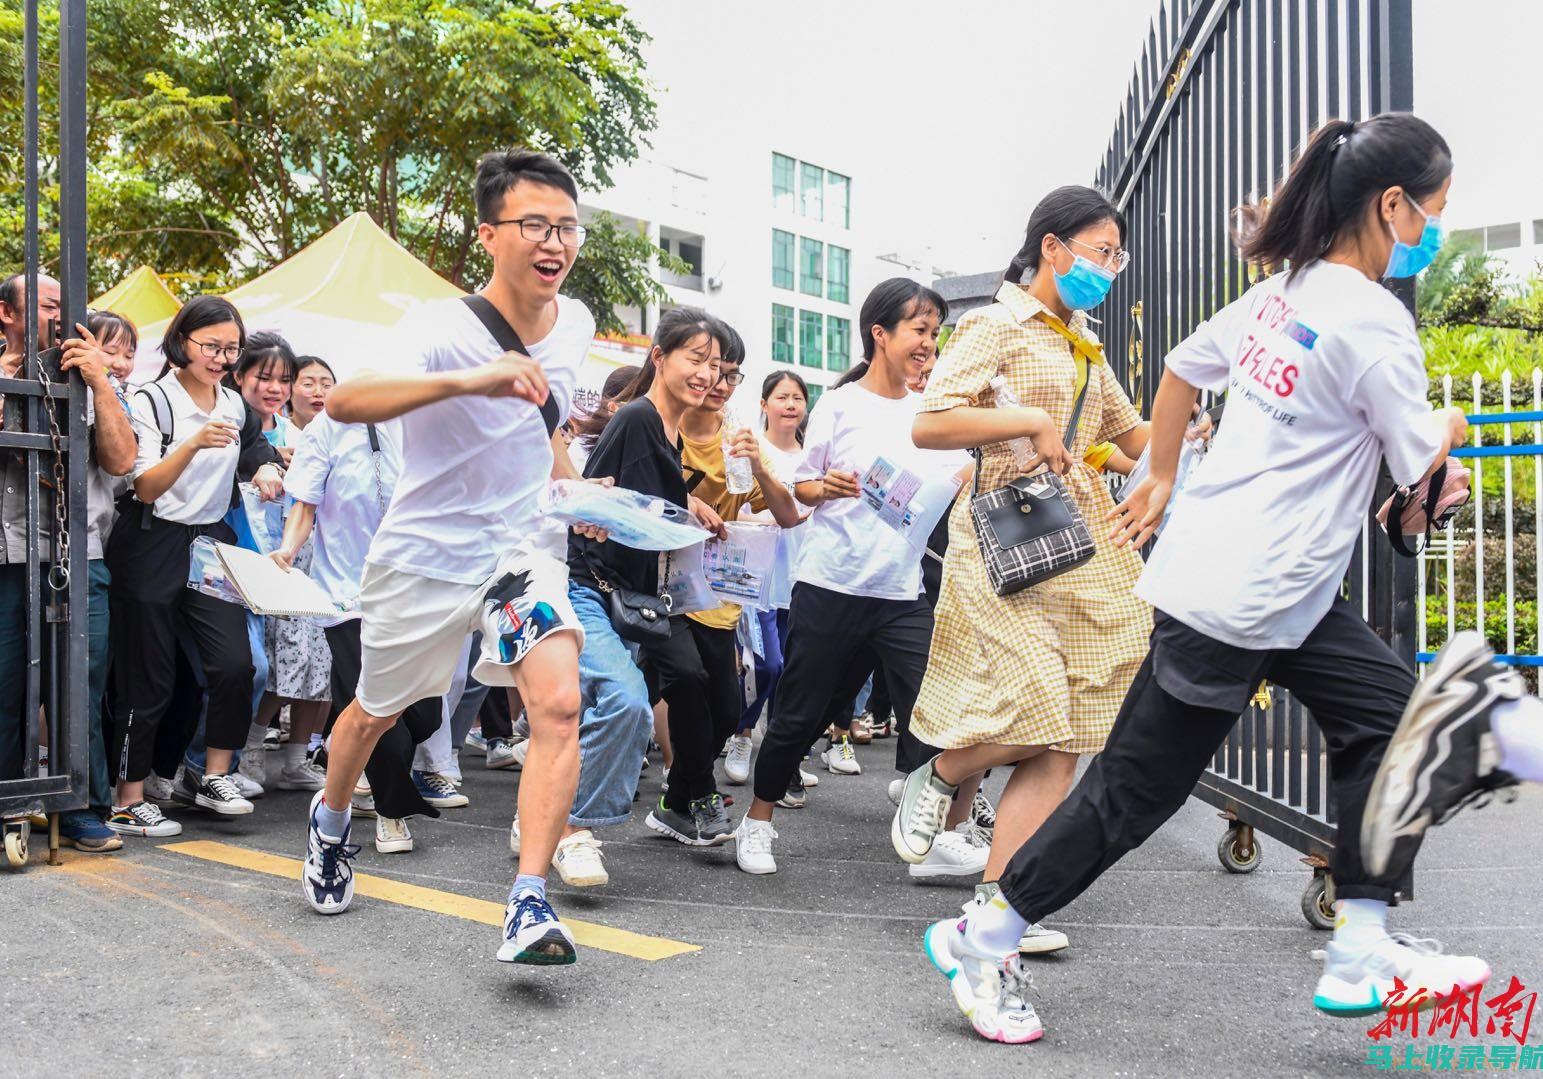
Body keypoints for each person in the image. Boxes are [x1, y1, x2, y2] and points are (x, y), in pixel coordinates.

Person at [920, 114, 1497, 1045]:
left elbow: (1185, 369)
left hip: (1277, 588)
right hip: (1243, 596)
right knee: (1133, 797)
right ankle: (982, 934)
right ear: (1390, 206)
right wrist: (1453, 433)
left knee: (1391, 717)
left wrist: (1158, 478)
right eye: (1432, 211)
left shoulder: (1284, 290)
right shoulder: (1373, 320)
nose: (1433, 229)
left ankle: (1361, 940)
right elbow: (1414, 465)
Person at [303, 149, 598, 968]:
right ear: (488, 234)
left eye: (567, 226)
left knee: (560, 704)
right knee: (373, 715)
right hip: (425, 556)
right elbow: (343, 399)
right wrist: (471, 379)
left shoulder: (573, 321)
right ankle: (330, 825)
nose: (555, 241)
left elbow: (545, 428)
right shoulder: (438, 328)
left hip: (518, 552)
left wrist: (580, 494)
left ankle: (527, 901)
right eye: (535, 224)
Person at [893, 185, 1153, 917]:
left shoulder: (1082, 342)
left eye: (1114, 256)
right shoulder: (992, 324)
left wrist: (1189, 434)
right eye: (1102, 252)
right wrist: (1030, 418)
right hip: (1004, 533)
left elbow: (1127, 441)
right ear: (1052, 246)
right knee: (1036, 703)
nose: (1109, 267)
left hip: (1077, 541)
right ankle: (942, 771)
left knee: (1064, 735)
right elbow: (931, 423)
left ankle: (997, 905)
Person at [734, 278, 965, 874]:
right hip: (831, 582)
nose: (927, 343)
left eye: (933, 333)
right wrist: (825, 485)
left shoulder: (932, 410)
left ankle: (932, 831)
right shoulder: (839, 404)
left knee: (932, 708)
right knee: (800, 712)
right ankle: (757, 819)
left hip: (901, 590)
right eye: (919, 330)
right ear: (880, 334)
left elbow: (954, 478)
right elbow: (800, 492)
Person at [106, 295, 285, 836]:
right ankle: (128, 795)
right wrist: (192, 443)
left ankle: (212, 774)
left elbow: (254, 452)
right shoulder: (151, 400)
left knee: (238, 665)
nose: (222, 357)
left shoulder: (234, 405)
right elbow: (143, 485)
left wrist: (267, 471)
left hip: (210, 544)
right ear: (183, 340)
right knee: (149, 675)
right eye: (212, 346)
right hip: (151, 541)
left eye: (231, 348)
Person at [558, 307, 729, 872]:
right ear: (660, 356)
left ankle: (548, 814)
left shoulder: (668, 429)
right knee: (627, 703)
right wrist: (671, 514)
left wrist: (687, 507)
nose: (706, 374)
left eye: (716, 364)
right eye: (695, 359)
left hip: (641, 599)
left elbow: (644, 500)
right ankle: (576, 830)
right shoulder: (636, 418)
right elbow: (594, 503)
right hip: (595, 590)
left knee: (596, 710)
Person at [642, 323, 799, 846]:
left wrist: (758, 462)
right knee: (685, 681)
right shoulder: (662, 423)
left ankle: (674, 802)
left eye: (730, 374)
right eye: (711, 368)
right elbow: (629, 490)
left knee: (728, 711)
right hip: (661, 586)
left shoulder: (738, 438)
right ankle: (702, 796)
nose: (718, 382)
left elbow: (787, 513)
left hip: (721, 594)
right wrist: (683, 503)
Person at [0, 277, 137, 853]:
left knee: (78, 681)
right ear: (7, 312)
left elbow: (122, 459)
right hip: (5, 553)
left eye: (66, 306)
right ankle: (9, 800)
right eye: (49, 305)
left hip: (77, 552)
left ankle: (80, 805)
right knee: (5, 685)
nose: (62, 316)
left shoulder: (85, 377)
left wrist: (99, 382)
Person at [272, 406, 440, 854]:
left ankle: (346, 752)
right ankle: (391, 812)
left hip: (413, 588)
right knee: (383, 714)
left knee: (425, 714)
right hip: (348, 593)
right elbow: (304, 505)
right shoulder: (325, 431)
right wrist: (288, 551)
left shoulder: (418, 423)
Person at [228, 334, 333, 792]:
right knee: (261, 665)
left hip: (295, 562)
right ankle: (241, 754)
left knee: (314, 662)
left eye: (283, 380)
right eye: (265, 377)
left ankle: (295, 759)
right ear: (240, 376)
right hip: (241, 559)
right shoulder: (228, 423)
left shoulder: (300, 438)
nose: (276, 388)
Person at [726, 369, 812, 785]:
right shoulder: (749, 448)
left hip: (803, 576)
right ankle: (742, 734)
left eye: (798, 397)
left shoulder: (813, 454)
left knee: (793, 671)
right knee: (767, 664)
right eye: (782, 396)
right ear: (764, 404)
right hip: (757, 577)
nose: (791, 404)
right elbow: (738, 506)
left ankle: (782, 761)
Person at [290, 356, 335, 429]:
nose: (318, 393)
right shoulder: (277, 433)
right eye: (308, 384)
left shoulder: (346, 435)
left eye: (327, 385)